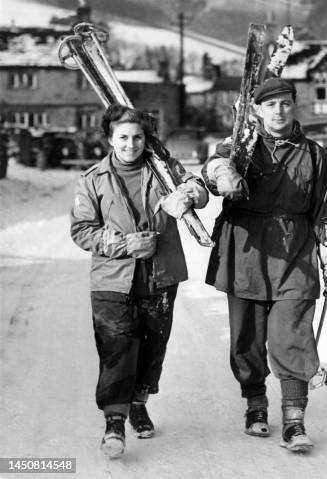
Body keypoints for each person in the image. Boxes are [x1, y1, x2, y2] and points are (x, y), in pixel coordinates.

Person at [202, 78, 327, 453]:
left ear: (294, 107)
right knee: (246, 335)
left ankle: (294, 419)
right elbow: (212, 171)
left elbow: (325, 208)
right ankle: (256, 404)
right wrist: (222, 174)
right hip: (245, 246)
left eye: (285, 103)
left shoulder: (314, 153)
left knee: (292, 332)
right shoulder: (238, 147)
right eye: (271, 104)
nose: (279, 111)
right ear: (256, 110)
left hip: (295, 249)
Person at [70, 104, 208, 459]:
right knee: (117, 348)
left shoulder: (164, 169)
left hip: (161, 274)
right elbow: (81, 230)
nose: (130, 144)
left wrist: (187, 195)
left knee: (152, 347)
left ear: (147, 139)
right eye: (123, 138)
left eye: (137, 137)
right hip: (112, 279)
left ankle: (138, 402)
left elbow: (200, 189)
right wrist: (124, 243)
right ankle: (114, 424)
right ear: (109, 139)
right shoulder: (92, 180)